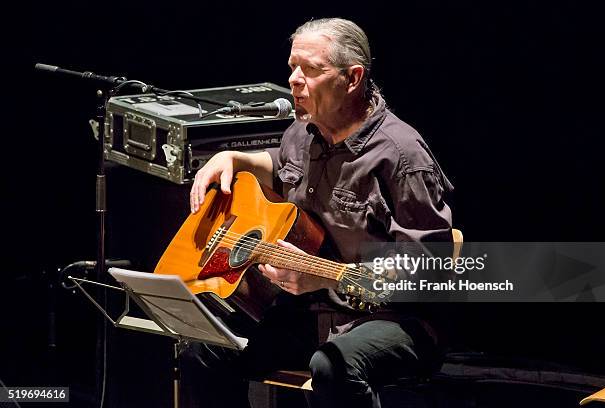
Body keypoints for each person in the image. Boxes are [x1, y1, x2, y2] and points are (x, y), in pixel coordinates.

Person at [183, 18, 453, 408]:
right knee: (204, 350)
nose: (294, 79)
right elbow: (282, 162)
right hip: (310, 314)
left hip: (392, 319)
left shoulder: (402, 155)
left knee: (333, 366)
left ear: (353, 77)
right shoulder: (304, 130)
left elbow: (427, 274)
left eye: (310, 69)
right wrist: (234, 157)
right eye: (292, 66)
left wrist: (321, 278)